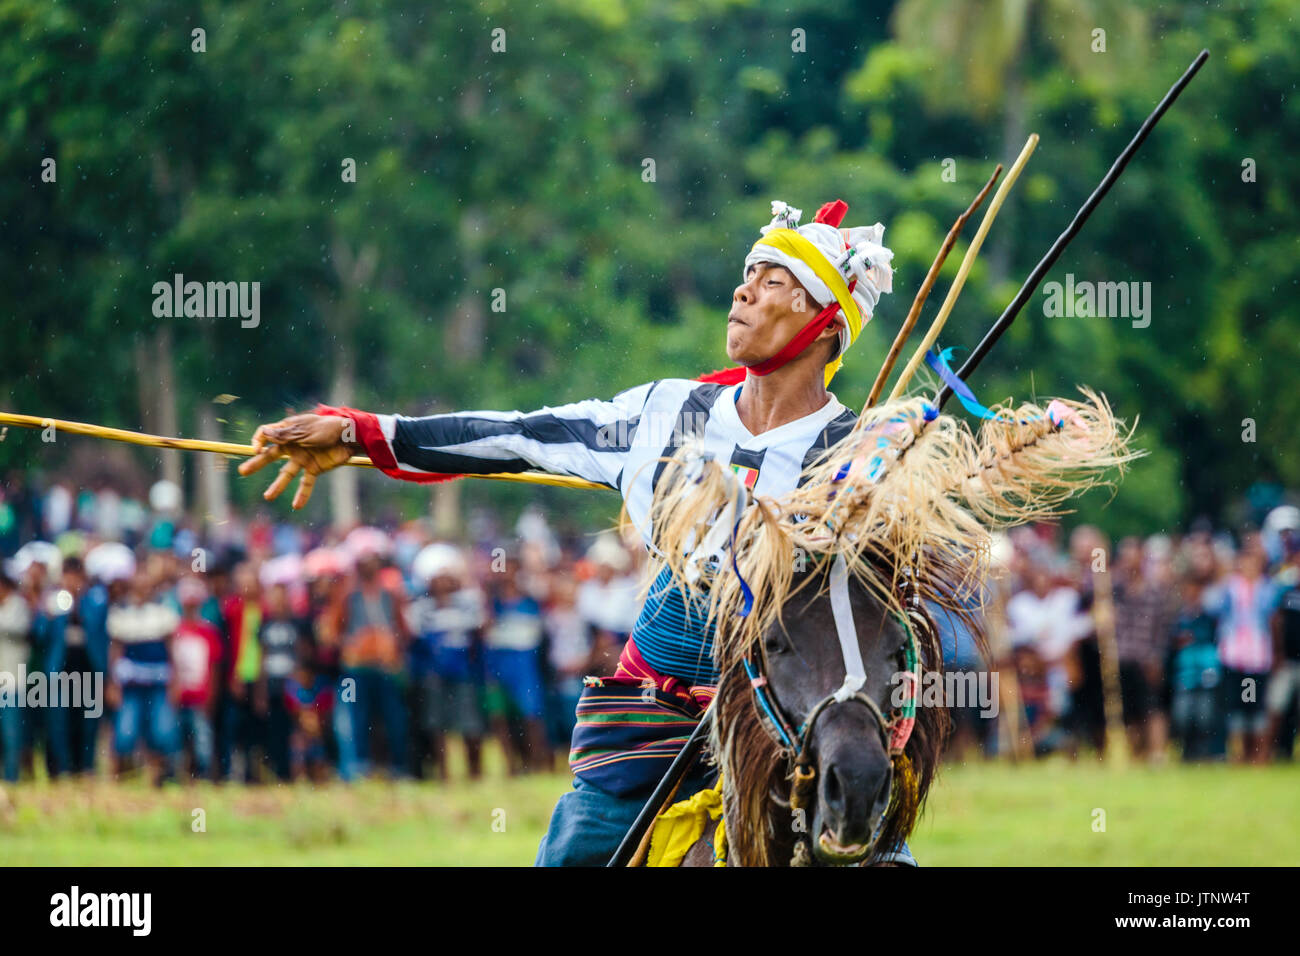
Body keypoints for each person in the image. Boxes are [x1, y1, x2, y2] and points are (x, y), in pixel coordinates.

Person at [237, 198, 916, 866]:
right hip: (655, 719)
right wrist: (363, 433)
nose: (742, 291)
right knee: (572, 853)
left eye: (773, 284)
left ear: (825, 323)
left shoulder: (859, 454)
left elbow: (886, 617)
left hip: (792, 716)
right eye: (748, 275)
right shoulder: (665, 412)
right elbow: (522, 435)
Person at [405, 543, 487, 780]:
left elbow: (479, 631)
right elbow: (415, 637)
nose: (442, 583)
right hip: (434, 675)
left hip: (463, 673)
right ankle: (444, 773)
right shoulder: (421, 608)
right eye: (437, 578)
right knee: (437, 725)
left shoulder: (469, 603)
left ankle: (475, 772)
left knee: (470, 724)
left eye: (446, 577)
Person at [1204, 534, 1280, 763]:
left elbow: (1273, 619)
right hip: (1234, 654)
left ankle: (1255, 753)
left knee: (1253, 703)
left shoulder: (1267, 588)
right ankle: (1237, 752)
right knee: (1235, 704)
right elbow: (1211, 606)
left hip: (1256, 656)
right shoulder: (1230, 588)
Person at [170, 576, 223, 779]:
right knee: (176, 738)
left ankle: (204, 774)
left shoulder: (209, 632)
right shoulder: (175, 630)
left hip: (201, 695)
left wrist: (212, 694)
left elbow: (215, 666)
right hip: (179, 695)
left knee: (202, 739)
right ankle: (176, 774)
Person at [0, 568, 32, 782]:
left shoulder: (18, 606)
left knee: (12, 736)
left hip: (12, 683)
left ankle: (12, 778)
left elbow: (14, 627)